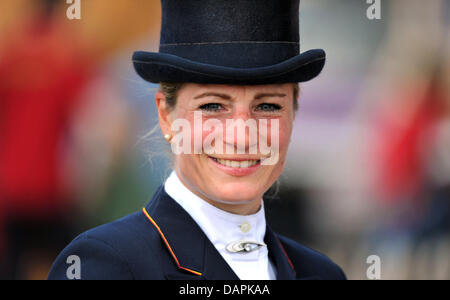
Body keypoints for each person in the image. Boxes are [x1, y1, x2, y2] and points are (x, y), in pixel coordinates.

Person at [48, 0, 346, 280]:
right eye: (212, 106)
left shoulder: (320, 273)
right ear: (166, 116)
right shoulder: (107, 266)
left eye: (267, 106)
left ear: (293, 115)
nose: (241, 137)